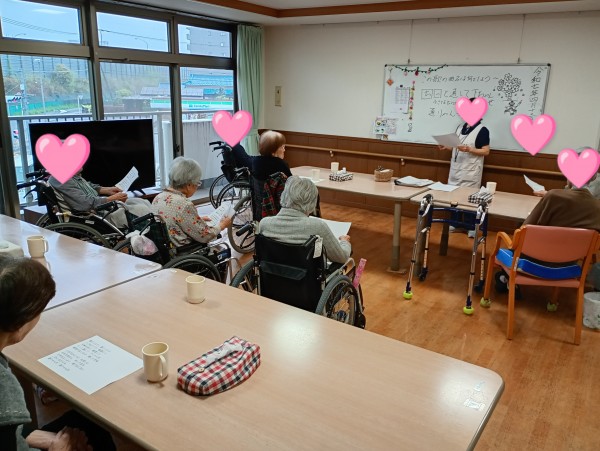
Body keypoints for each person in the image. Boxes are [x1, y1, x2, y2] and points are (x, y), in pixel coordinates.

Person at [0, 255, 115, 450]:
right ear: (19, 326)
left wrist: (32, 436)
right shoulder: (4, 389)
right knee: (94, 435)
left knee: (89, 425)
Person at [258, 176, 351, 264]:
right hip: (307, 275)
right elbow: (341, 258)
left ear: (284, 195)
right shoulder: (318, 226)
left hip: (272, 273)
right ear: (312, 202)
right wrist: (345, 242)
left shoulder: (264, 224)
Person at [152, 157, 232, 247]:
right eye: (197, 183)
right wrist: (222, 225)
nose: (197, 187)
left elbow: (174, 220)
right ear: (189, 185)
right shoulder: (184, 204)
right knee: (221, 241)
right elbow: (205, 236)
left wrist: (196, 220)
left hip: (164, 247)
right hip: (183, 250)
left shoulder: (158, 197)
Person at [48, 172, 152, 229]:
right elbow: (85, 204)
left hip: (100, 208)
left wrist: (106, 190)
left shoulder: (71, 175)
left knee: (142, 201)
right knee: (142, 209)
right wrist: (110, 199)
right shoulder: (61, 179)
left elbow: (87, 185)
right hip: (95, 217)